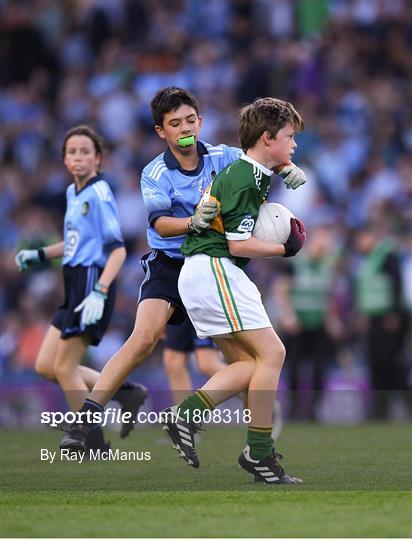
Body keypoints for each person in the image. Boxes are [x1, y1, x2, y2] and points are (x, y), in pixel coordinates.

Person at [60, 87, 306, 452]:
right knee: (144, 339)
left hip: (214, 267)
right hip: (171, 265)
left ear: (200, 121)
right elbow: (160, 224)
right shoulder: (155, 172)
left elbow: (262, 155)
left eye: (190, 120)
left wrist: (286, 167)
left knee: (242, 362)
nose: (184, 128)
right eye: (175, 123)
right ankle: (86, 420)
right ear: (162, 131)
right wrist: (192, 221)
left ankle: (252, 432)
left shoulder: (224, 156)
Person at [161, 97, 307, 484]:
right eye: (289, 137)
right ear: (267, 137)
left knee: (250, 364)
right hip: (215, 270)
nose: (294, 145)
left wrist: (285, 165)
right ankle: (252, 450)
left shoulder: (250, 170)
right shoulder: (245, 178)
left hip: (205, 272)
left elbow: (266, 160)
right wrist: (284, 248)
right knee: (273, 352)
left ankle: (200, 424)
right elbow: (238, 245)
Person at [15, 125, 147, 449]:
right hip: (73, 284)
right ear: (64, 159)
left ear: (98, 158)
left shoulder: (99, 194)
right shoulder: (73, 193)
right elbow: (76, 243)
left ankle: (92, 440)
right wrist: (40, 254)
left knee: (64, 365)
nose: (78, 157)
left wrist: (101, 291)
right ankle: (126, 392)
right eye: (72, 152)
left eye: (85, 151)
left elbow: (117, 250)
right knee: (47, 365)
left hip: (92, 283)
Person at [273, 224, 342, 420]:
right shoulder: (294, 263)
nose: (325, 246)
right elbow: (281, 290)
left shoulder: (326, 267)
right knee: (294, 367)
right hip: (297, 324)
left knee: (320, 368)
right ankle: (294, 409)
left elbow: (328, 297)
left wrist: (332, 320)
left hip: (318, 322)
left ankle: (313, 409)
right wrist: (287, 315)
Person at [353, 224, 412, 419]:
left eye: (361, 237)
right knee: (377, 364)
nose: (359, 243)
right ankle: (380, 410)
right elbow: (366, 291)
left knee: (391, 364)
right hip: (374, 319)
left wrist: (393, 313)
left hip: (389, 318)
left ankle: (392, 407)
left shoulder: (387, 256)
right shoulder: (368, 260)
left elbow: (396, 285)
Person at [163, 318, 225, 403]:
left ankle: (248, 391)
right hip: (181, 306)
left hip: (201, 307)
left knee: (208, 364)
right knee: (173, 362)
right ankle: (184, 413)